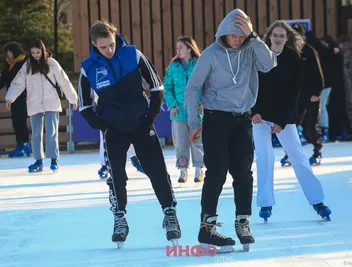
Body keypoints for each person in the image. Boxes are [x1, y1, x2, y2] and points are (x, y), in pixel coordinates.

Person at [77, 20, 180, 248]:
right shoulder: (89, 69)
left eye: (112, 44)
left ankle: (169, 212)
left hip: (141, 123)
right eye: (103, 47)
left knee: (156, 169)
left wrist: (150, 115)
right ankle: (120, 218)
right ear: (94, 44)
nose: (109, 50)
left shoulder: (132, 55)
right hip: (114, 129)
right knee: (117, 175)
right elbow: (84, 106)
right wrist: (104, 125)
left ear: (116, 37)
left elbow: (156, 86)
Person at [185, 9, 276, 252]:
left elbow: (268, 65)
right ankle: (207, 228)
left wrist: (254, 37)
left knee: (244, 174)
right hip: (216, 120)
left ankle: (242, 222)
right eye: (232, 35)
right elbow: (193, 87)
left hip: (243, 120)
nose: (236, 40)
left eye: (241, 36)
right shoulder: (211, 54)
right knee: (216, 173)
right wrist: (194, 121)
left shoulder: (251, 49)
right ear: (223, 33)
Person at [251, 21, 331, 223]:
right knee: (264, 158)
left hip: (284, 117)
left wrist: (281, 121)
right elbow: (250, 85)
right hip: (260, 116)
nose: (277, 38)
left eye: (282, 35)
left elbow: (293, 92)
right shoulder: (258, 56)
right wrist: (253, 111)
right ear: (268, 36)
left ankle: (318, 201)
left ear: (287, 39)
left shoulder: (293, 58)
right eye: (275, 35)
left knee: (298, 157)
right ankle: (265, 203)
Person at [5, 39, 78, 172]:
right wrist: (10, 98)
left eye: (38, 52)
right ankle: (38, 161)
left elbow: (64, 81)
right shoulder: (27, 66)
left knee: (52, 132)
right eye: (33, 52)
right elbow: (18, 83)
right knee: (36, 134)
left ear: (43, 50)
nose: (35, 55)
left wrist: (73, 98)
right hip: (34, 103)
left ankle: (54, 159)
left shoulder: (52, 64)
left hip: (51, 102)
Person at [281, 22, 325, 167]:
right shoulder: (287, 52)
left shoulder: (309, 51)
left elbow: (318, 73)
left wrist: (317, 92)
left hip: (311, 95)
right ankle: (290, 153)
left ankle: (317, 150)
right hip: (295, 96)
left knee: (311, 126)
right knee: (291, 125)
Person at [164, 36, 204, 184]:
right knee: (181, 142)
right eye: (177, 48)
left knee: (197, 140)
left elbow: (207, 84)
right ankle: (182, 169)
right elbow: (167, 87)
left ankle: (199, 168)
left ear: (189, 48)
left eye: (181, 47)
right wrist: (172, 105)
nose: (178, 50)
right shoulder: (173, 67)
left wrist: (203, 102)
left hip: (196, 111)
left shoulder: (199, 64)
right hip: (179, 112)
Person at [305, 31, 338, 142]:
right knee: (321, 107)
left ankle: (321, 131)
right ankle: (322, 131)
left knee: (319, 107)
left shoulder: (312, 51)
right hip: (324, 83)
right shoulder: (324, 48)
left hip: (321, 84)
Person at [0, 42, 30, 158]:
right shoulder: (9, 64)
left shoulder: (22, 63)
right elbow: (3, 80)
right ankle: (20, 146)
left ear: (14, 51)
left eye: (9, 51)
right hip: (13, 99)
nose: (7, 54)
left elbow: (12, 77)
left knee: (20, 121)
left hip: (22, 97)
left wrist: (6, 72)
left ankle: (25, 145)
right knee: (16, 122)